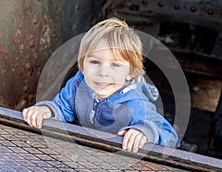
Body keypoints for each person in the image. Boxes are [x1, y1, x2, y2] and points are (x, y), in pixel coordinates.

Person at [22, 17, 178, 152]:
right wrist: (46, 110)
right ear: (82, 66)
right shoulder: (77, 86)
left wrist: (144, 132)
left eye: (115, 65)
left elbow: (169, 136)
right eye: (95, 62)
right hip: (88, 150)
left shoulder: (135, 103)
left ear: (130, 72)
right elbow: (63, 108)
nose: (103, 72)